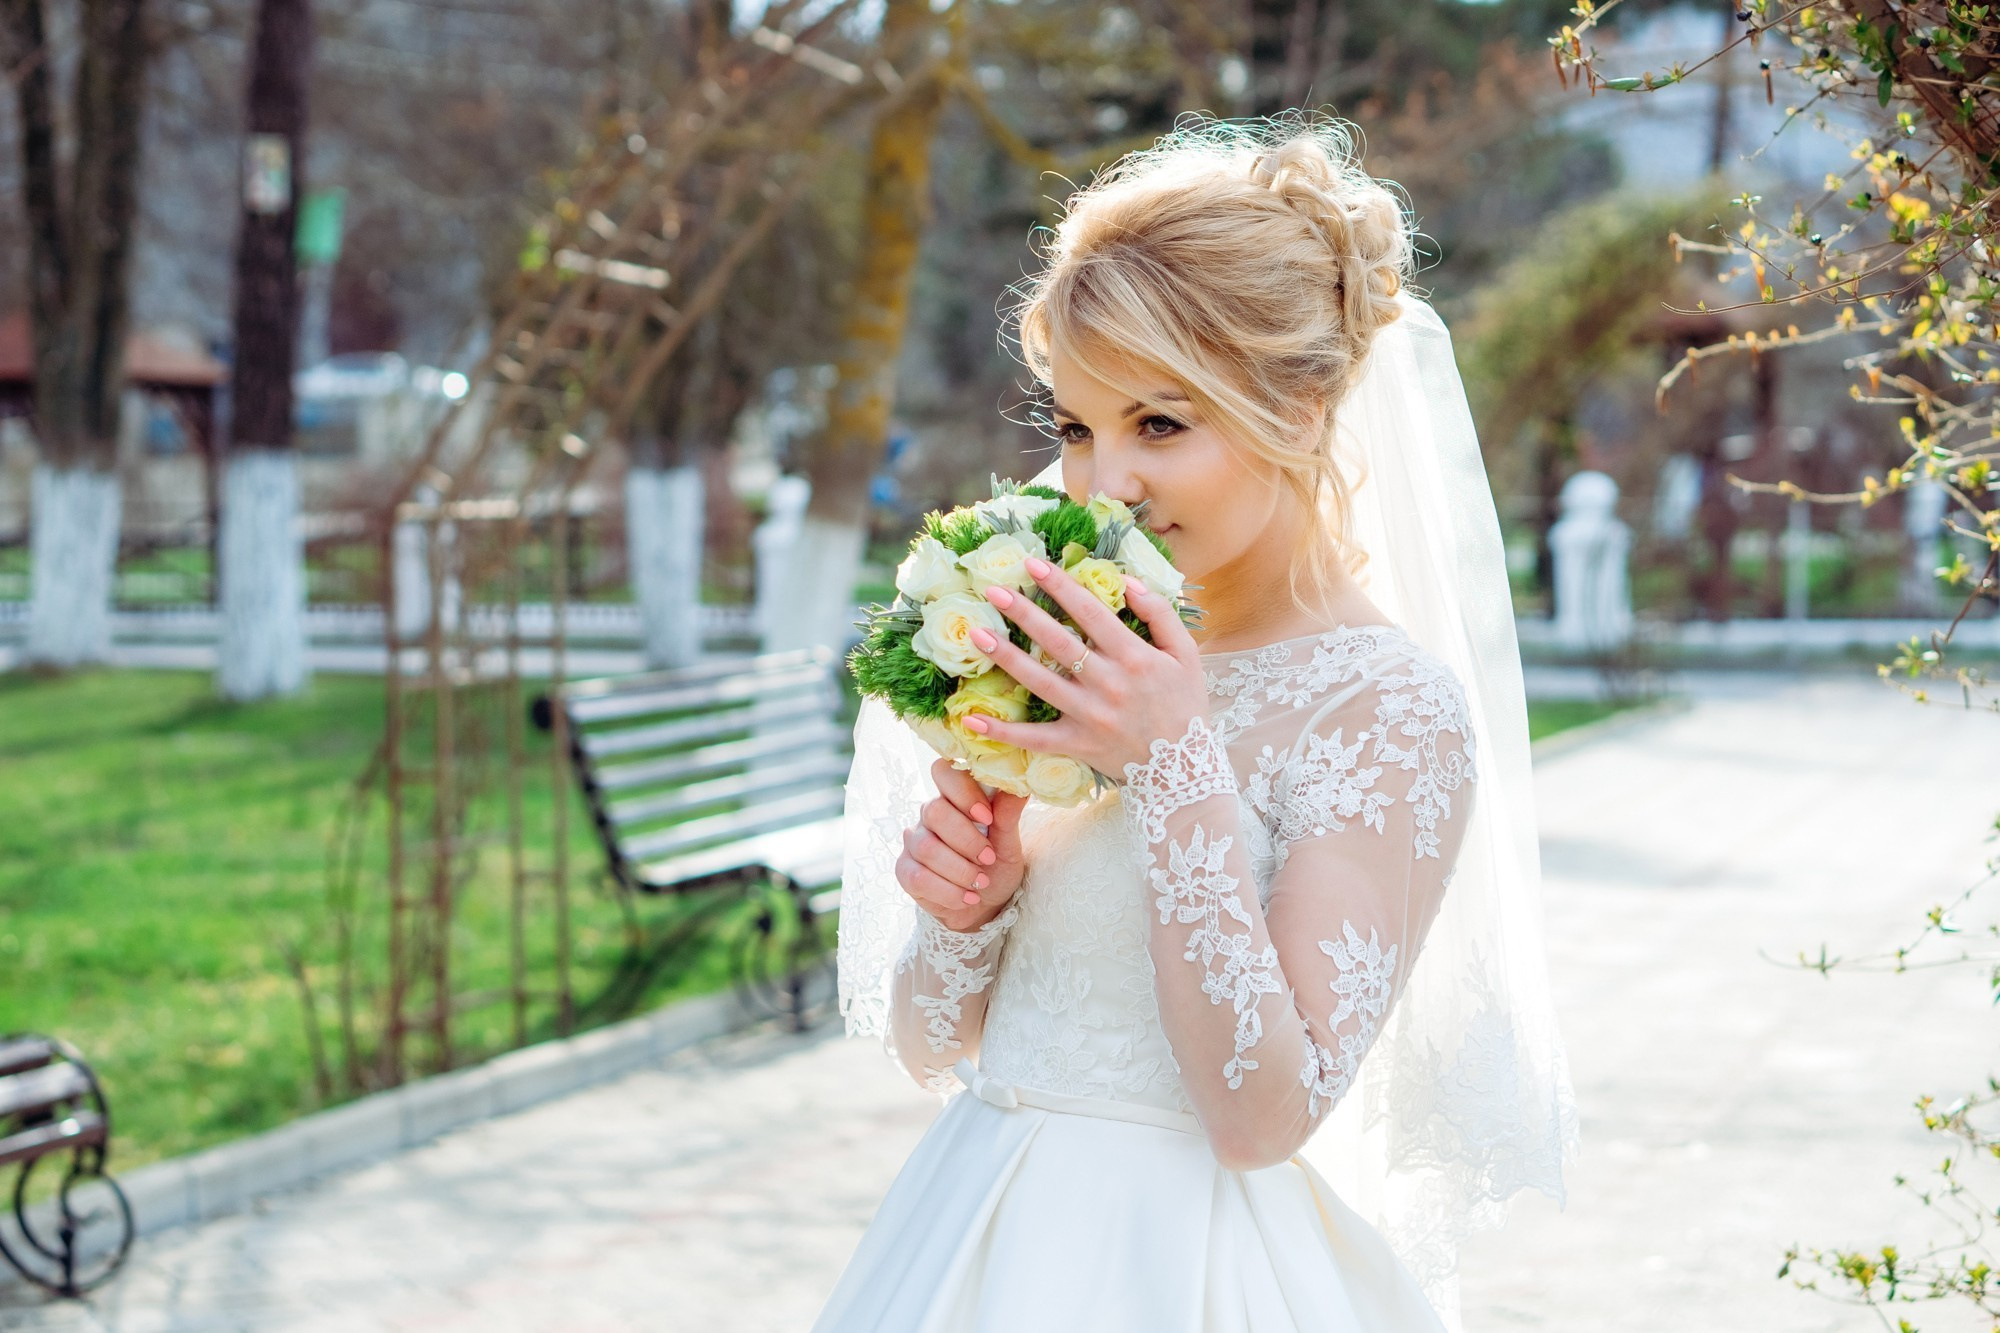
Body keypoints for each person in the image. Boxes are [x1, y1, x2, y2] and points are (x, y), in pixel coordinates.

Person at [817, 112, 1576, 1333]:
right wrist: (966, 909)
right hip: (974, 1231)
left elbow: (1259, 1115)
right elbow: (930, 1041)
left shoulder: (1382, 710)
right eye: (1075, 427)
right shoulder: (1072, 654)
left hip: (1193, 1273)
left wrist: (1173, 763)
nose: (1101, 483)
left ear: (1303, 403)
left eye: (1159, 424)